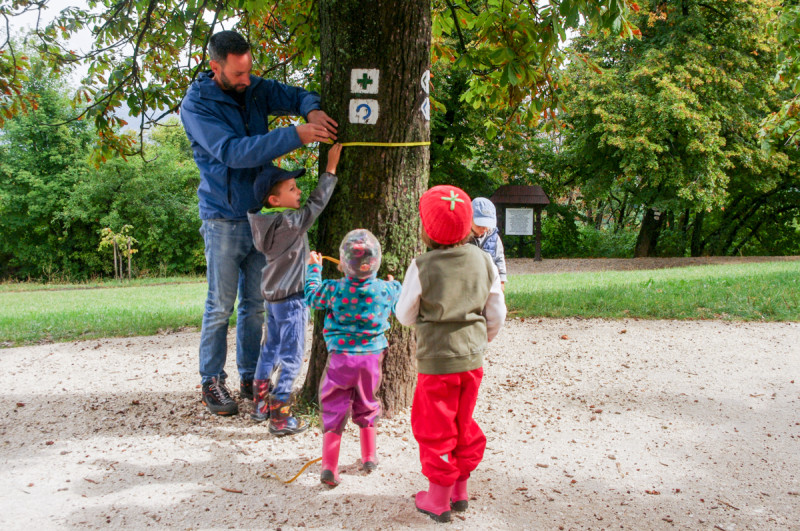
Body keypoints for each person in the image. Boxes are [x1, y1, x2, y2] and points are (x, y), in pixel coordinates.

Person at [180, 30, 338, 416]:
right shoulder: (197, 105)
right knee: (220, 305)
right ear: (215, 67)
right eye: (238, 73)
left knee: (254, 303)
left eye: (250, 70)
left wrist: (311, 109)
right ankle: (212, 381)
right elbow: (234, 153)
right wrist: (295, 135)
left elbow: (294, 94)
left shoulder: (252, 87)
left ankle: (251, 377)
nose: (246, 79)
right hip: (222, 216)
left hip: (259, 219)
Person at [395, 185, 506, 523]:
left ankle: (438, 499)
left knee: (435, 425)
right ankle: (460, 489)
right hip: (472, 360)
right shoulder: (484, 259)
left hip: (436, 362)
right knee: (462, 421)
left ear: (426, 229)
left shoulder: (422, 265)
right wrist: (480, 340)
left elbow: (404, 314)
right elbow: (497, 311)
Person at [247, 143, 343, 436]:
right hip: (291, 301)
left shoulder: (262, 222)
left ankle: (260, 404)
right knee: (291, 356)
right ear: (275, 200)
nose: (299, 191)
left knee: (270, 350)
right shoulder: (287, 223)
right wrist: (329, 170)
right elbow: (315, 206)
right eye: (292, 188)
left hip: (273, 299)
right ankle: (280, 416)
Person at [304, 230, 402, 487]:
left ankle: (329, 467)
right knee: (368, 401)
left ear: (343, 262)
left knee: (334, 408)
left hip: (341, 361)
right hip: (371, 360)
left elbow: (312, 297)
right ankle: (369, 456)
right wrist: (393, 283)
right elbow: (400, 298)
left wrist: (314, 269)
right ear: (376, 262)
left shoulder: (333, 289)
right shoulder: (386, 289)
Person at [470, 197, 507, 290]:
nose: (484, 228)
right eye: (479, 225)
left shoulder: (494, 237)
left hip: (488, 281)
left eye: (487, 225)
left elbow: (499, 258)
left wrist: (502, 280)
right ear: (469, 219)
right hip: (468, 281)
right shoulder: (462, 238)